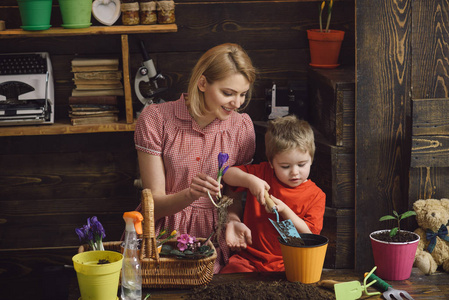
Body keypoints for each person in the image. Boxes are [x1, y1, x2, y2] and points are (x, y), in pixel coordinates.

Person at [134, 43, 257, 273]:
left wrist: (232, 221)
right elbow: (153, 207)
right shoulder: (156, 120)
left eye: (243, 94)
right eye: (228, 93)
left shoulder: (242, 127)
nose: (237, 103)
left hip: (213, 241)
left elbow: (233, 196)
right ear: (202, 83)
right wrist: (189, 194)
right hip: (163, 240)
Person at [220, 115, 326, 273]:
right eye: (285, 166)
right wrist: (250, 180)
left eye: (301, 164)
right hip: (249, 258)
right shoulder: (262, 173)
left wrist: (284, 210)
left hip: (288, 262)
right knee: (229, 274)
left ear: (311, 159)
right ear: (271, 163)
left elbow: (309, 234)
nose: (294, 172)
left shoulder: (316, 195)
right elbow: (226, 173)